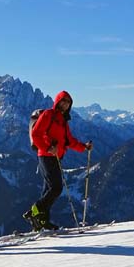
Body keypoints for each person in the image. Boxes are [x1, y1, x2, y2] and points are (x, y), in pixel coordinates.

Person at [26, 91, 92, 231]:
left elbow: (69, 141)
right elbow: (36, 133)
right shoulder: (48, 115)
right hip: (46, 156)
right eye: (63, 101)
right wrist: (48, 148)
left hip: (56, 157)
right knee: (56, 188)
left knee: (48, 190)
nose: (66, 104)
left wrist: (84, 147)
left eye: (68, 102)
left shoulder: (63, 121)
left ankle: (43, 221)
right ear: (57, 101)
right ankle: (35, 210)